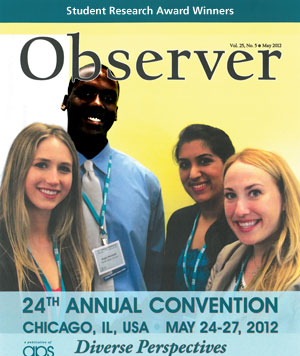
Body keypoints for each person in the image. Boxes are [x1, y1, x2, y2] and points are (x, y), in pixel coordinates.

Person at [61, 64, 165, 291]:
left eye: (107, 97)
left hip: (130, 323)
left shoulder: (146, 183)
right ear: (66, 101)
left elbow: (155, 274)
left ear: (115, 111)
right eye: (86, 93)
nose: (97, 103)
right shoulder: (36, 180)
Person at [0, 123, 94, 291]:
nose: (53, 179)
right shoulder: (3, 246)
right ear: (18, 168)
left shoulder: (73, 248)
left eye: (64, 169)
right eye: (42, 165)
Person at [206, 148, 300, 291]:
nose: (240, 211)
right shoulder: (227, 255)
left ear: (285, 199)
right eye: (230, 195)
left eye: (254, 193)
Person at [162, 124, 236, 291]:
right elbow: (166, 288)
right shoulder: (179, 220)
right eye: (184, 165)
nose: (193, 174)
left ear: (228, 164)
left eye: (204, 161)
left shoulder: (241, 223)